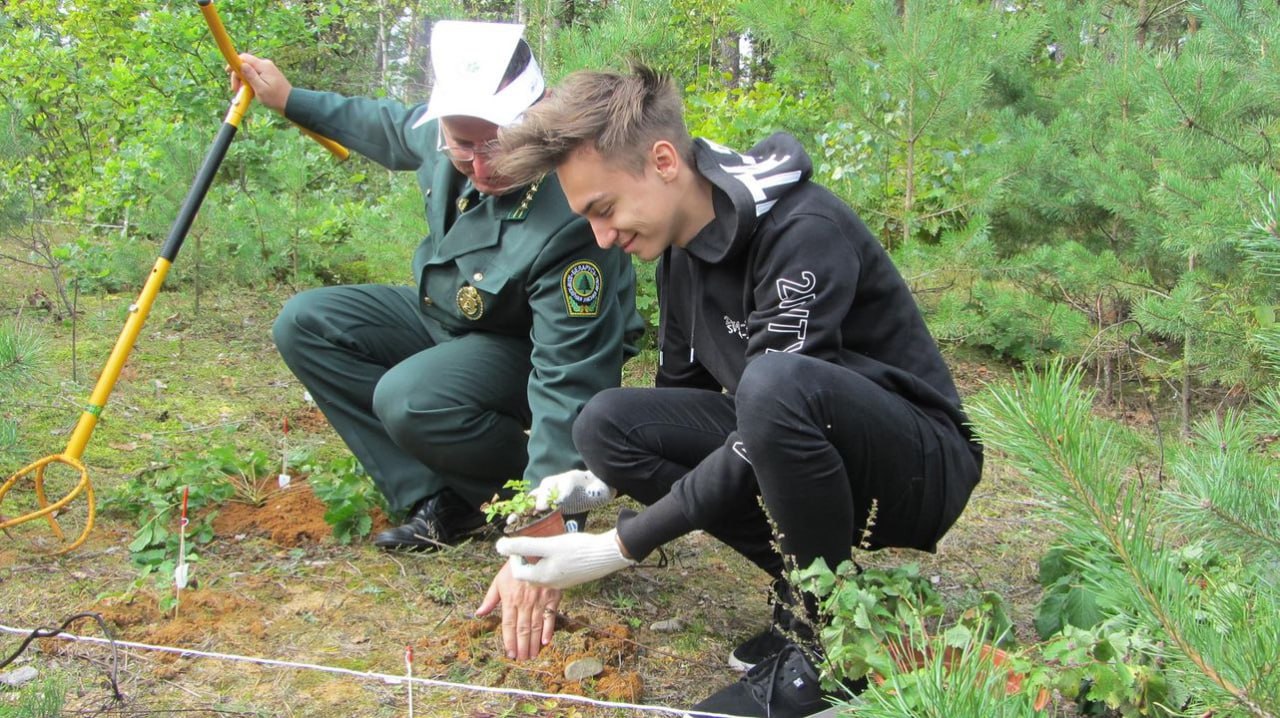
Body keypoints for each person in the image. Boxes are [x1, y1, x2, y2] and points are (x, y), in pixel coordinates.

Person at [485, 65, 983, 718]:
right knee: (606, 425)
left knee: (771, 384)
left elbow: (771, 409)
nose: (602, 238)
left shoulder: (802, 228)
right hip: (806, 440)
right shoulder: (677, 254)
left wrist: (619, 546)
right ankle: (817, 592)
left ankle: (834, 648)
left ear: (663, 160)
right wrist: (599, 482)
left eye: (603, 210)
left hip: (920, 463)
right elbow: (683, 414)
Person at [231, 22, 643, 562]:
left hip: (528, 349)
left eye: (498, 146)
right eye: (462, 147)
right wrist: (289, 100)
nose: (479, 165)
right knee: (306, 322)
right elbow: (385, 126)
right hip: (449, 318)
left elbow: (571, 378)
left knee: (409, 399)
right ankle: (441, 496)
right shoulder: (450, 134)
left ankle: (514, 495)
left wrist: (546, 526)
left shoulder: (568, 212)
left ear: (537, 117)